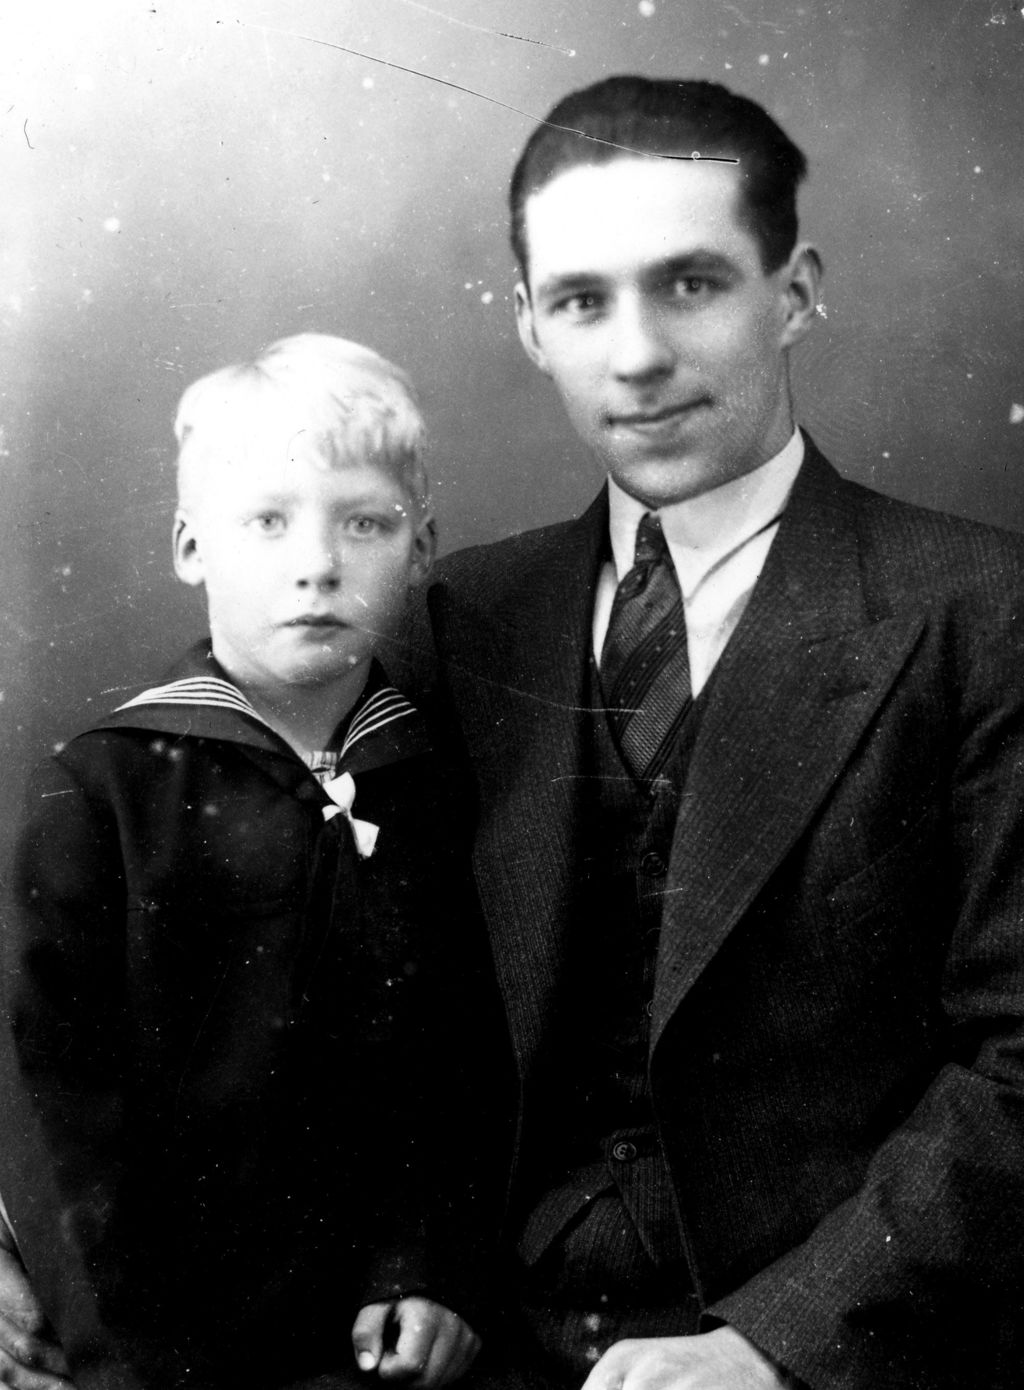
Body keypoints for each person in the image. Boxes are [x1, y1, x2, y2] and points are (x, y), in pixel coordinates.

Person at [407, 77, 1024, 1388]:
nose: (635, 355)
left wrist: (774, 1345)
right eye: (581, 301)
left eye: (689, 284)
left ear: (794, 293)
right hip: (483, 1345)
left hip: (834, 1348)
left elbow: (1020, 1058)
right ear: (527, 325)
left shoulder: (980, 611)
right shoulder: (460, 619)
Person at [0, 333, 504, 1390]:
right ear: (192, 546)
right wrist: (114, 1359)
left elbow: (462, 1075)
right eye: (267, 521)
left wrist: (428, 1270)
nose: (316, 564)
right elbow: (53, 1102)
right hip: (154, 1342)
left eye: (364, 523)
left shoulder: (441, 783)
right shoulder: (102, 792)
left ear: (421, 548)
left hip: (376, 1341)